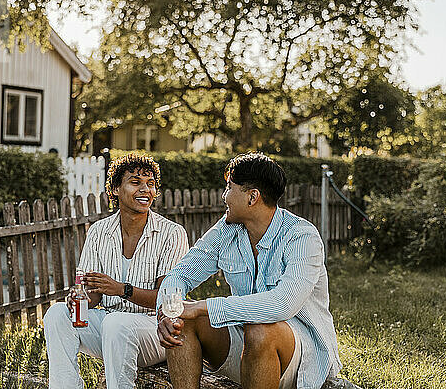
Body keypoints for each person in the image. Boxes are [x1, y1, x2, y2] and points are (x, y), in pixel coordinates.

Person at [156, 152, 341, 389]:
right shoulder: (227, 229)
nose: (224, 196)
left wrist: (203, 306)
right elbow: (179, 274)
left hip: (302, 361)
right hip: (245, 348)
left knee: (259, 331)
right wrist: (168, 311)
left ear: (252, 197)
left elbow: (282, 305)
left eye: (229, 188)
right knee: (184, 321)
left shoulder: (302, 236)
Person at [44, 153, 189, 389]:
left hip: (154, 330)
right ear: (115, 189)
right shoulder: (99, 232)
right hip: (111, 329)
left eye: (151, 184)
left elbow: (167, 300)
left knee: (117, 323)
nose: (146, 190)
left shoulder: (172, 233)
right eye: (135, 182)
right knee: (57, 314)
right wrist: (80, 298)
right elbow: (94, 294)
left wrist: (121, 289)